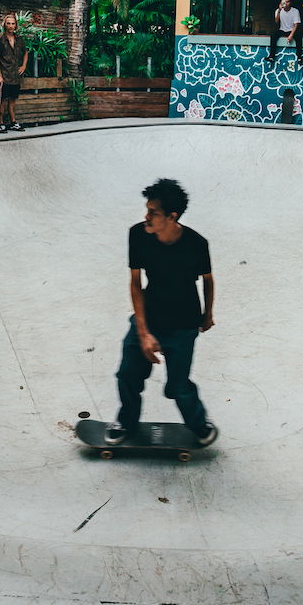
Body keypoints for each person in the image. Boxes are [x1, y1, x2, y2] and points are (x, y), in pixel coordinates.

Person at [106, 178, 218, 447]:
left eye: (153, 213)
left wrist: (208, 314)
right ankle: (127, 421)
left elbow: (208, 279)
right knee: (127, 375)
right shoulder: (138, 234)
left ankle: (199, 424)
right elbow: (135, 283)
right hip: (149, 315)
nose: (147, 217)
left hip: (183, 323)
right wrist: (143, 332)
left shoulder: (196, 243)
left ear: (172, 216)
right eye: (147, 210)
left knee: (178, 388)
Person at [0, 15, 30, 133]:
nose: (10, 26)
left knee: (13, 99)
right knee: (2, 100)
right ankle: (1, 123)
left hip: (15, 75)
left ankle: (13, 122)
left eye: (13, 23)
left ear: (15, 25)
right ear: (4, 24)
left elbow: (26, 53)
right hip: (4, 74)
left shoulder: (19, 39)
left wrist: (23, 66)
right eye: (8, 23)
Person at [266, 0, 303, 65]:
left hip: (292, 30)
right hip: (282, 30)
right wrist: (279, 11)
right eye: (284, 2)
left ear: (290, 3)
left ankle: (299, 57)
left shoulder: (295, 11)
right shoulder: (278, 11)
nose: (286, 3)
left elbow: (296, 24)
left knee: (299, 36)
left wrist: (291, 35)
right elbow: (276, 21)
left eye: (288, 2)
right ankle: (271, 56)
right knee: (273, 35)